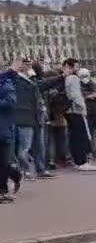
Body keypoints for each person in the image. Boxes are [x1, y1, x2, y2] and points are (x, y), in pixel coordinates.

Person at [12, 58, 55, 178]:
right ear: (23, 67)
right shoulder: (17, 81)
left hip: (35, 117)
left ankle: (39, 169)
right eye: (28, 66)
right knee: (24, 148)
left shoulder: (31, 81)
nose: (31, 69)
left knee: (38, 145)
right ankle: (26, 170)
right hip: (25, 118)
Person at [62, 59, 96, 171]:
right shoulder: (73, 78)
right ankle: (81, 161)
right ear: (70, 67)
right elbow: (75, 95)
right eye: (76, 67)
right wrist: (83, 108)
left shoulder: (65, 78)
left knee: (73, 137)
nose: (78, 69)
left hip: (68, 110)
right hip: (75, 110)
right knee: (80, 136)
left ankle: (77, 160)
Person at [0, 66, 24, 202]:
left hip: (3, 128)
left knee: (2, 162)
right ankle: (15, 175)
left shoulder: (6, 84)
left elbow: (11, 102)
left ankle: (2, 191)